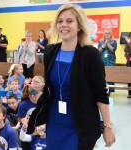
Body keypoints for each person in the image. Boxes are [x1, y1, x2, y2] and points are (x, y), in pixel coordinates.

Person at [28, 4, 116, 149]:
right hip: (55, 120)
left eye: (69, 21)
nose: (64, 25)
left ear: (79, 26)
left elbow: (101, 94)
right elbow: (56, 87)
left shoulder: (90, 55)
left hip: (80, 123)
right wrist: (42, 87)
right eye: (60, 21)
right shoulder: (51, 51)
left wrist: (107, 127)